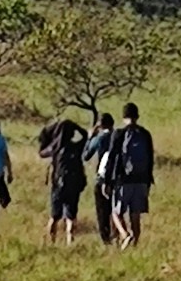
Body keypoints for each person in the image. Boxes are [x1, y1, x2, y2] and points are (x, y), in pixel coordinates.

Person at [99, 103, 157, 245]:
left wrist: (107, 181)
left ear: (124, 116)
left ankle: (125, 235)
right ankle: (135, 243)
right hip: (141, 180)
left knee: (116, 212)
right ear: (137, 116)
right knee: (135, 214)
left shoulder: (118, 134)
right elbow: (150, 158)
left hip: (123, 180)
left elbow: (111, 158)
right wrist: (148, 181)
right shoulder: (145, 134)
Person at [43, 117, 92, 242]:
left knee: (54, 216)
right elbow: (85, 135)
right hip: (73, 185)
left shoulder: (55, 149)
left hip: (58, 185)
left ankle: (51, 241)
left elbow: (41, 150)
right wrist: (74, 125)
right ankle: (70, 240)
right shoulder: (76, 147)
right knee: (71, 215)